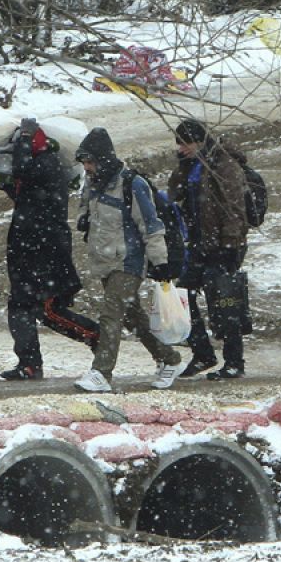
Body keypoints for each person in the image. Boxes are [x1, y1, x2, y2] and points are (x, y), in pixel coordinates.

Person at [72, 128, 182, 393]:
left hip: (129, 262)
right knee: (134, 318)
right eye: (84, 163)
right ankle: (169, 358)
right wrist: (83, 219)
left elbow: (151, 225)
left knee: (111, 315)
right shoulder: (93, 183)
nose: (87, 168)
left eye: (90, 162)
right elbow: (86, 213)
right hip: (106, 261)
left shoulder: (133, 184)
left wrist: (160, 261)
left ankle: (101, 373)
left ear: (103, 159)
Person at [0, 118, 98, 381]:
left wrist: (23, 139)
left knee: (46, 310)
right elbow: (26, 194)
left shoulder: (46, 164)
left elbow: (22, 170)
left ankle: (97, 336)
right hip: (30, 251)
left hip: (43, 253)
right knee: (27, 308)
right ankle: (30, 363)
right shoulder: (40, 168)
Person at [168, 119, 251, 381]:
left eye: (185, 143)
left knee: (225, 303)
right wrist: (183, 166)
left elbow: (234, 208)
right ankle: (203, 352)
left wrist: (229, 244)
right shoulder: (192, 165)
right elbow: (174, 193)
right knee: (183, 296)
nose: (181, 149)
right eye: (179, 144)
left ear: (200, 142)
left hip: (223, 245)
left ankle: (234, 361)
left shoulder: (223, 165)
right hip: (198, 244)